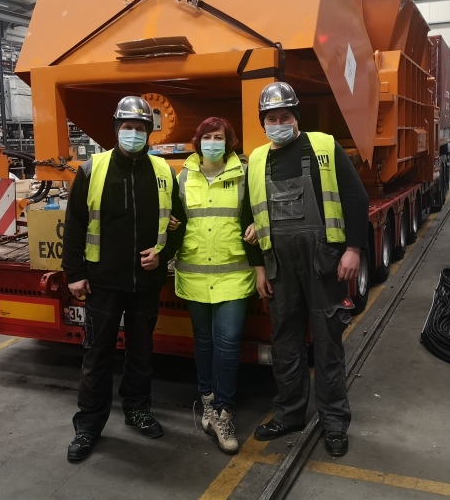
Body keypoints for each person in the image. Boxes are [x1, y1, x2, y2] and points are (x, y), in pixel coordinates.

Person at [247, 81, 370, 458]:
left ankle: (334, 421)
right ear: (263, 123)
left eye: (284, 116)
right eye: (271, 119)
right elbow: (248, 215)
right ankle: (289, 414)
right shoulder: (256, 160)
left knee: (328, 342)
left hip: (323, 262)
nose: (278, 124)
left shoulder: (323, 147)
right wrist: (259, 268)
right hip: (280, 266)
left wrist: (353, 249)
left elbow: (356, 197)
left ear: (296, 117)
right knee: (285, 342)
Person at [61, 96, 186, 463]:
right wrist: (74, 273)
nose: (134, 133)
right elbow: (75, 224)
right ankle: (88, 426)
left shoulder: (163, 172)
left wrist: (163, 254)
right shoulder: (93, 169)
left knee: (142, 351)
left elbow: (179, 224)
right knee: (97, 354)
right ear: (116, 130)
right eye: (128, 127)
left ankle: (138, 409)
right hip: (103, 282)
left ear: (149, 132)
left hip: (146, 283)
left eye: (140, 128)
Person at [170, 117, 259, 455]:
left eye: (218, 137)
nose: (212, 142)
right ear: (198, 141)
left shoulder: (244, 174)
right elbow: (175, 218)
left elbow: (259, 211)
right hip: (195, 274)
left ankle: (224, 412)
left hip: (233, 275)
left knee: (228, 343)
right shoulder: (183, 176)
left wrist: (258, 226)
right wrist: (171, 225)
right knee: (204, 343)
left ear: (228, 141)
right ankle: (207, 402)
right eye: (206, 136)